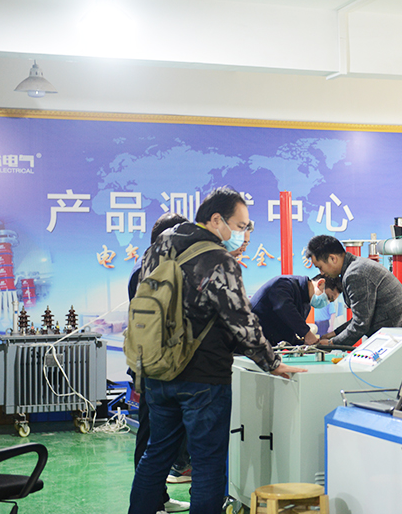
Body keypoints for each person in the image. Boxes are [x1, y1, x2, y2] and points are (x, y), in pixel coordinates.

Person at [128, 187, 306, 514]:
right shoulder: (218, 259)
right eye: (240, 226)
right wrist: (272, 362)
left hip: (156, 368)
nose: (243, 233)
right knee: (208, 463)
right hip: (203, 376)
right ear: (216, 220)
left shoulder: (159, 246)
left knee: (156, 454)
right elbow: (241, 320)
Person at [128, 212, 191, 513]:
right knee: (151, 437)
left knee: (162, 437)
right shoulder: (149, 272)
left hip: (161, 365)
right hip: (154, 367)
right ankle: (150, 504)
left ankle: (159, 498)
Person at [304, 235, 402, 346]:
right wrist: (334, 334)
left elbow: (360, 324)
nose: (322, 273)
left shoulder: (355, 274)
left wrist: (331, 343)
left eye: (320, 267)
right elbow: (362, 317)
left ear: (332, 258)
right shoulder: (357, 266)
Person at [250, 273, 343, 346]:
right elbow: (283, 307)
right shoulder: (284, 284)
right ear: (320, 283)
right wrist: (307, 334)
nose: (327, 302)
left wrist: (312, 345)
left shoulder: (305, 305)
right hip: (250, 339)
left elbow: (288, 334)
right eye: (328, 297)